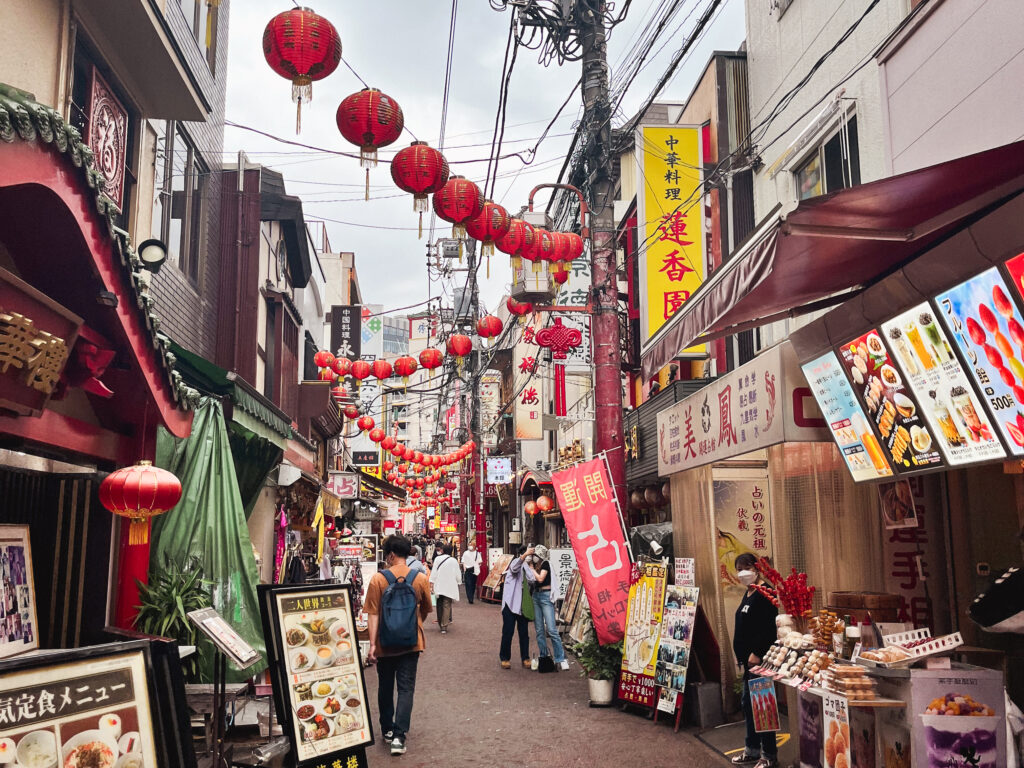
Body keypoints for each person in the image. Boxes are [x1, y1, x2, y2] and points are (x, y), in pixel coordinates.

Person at [364, 535, 432, 756]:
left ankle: (387, 729)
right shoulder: (419, 578)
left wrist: (372, 644)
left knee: (385, 687)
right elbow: (426, 609)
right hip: (411, 643)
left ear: (391, 555)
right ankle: (399, 737)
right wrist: (413, 624)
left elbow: (373, 614)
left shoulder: (378, 579)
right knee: (406, 689)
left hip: (384, 643)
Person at [731, 553, 779, 768]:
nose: (743, 572)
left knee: (763, 706)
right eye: (739, 569)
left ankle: (769, 755)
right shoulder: (749, 591)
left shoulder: (766, 592)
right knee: (749, 706)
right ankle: (751, 750)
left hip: (759, 661)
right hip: (748, 662)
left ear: (757, 568)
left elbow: (770, 627)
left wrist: (757, 652)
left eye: (747, 567)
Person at [523, 545, 569, 671]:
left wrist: (531, 569)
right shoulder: (535, 565)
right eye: (533, 555)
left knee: (552, 629)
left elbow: (540, 578)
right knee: (539, 630)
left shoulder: (546, 564)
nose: (534, 557)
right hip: (536, 596)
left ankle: (561, 658)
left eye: (536, 555)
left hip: (546, 596)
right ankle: (544, 656)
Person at [498, 545, 532, 669]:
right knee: (508, 632)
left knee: (524, 633)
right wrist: (524, 556)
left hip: (522, 605)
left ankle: (525, 657)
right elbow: (514, 568)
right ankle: (505, 658)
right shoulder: (515, 563)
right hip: (510, 603)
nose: (530, 558)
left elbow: (533, 580)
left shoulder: (528, 567)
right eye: (528, 555)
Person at [429, 544, 461, 634]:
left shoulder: (437, 559)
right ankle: (444, 625)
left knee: (439, 604)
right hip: (450, 585)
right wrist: (459, 581)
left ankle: (440, 623)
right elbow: (457, 573)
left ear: (442, 550)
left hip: (439, 584)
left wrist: (431, 582)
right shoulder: (454, 561)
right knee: (447, 604)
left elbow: (434, 572)